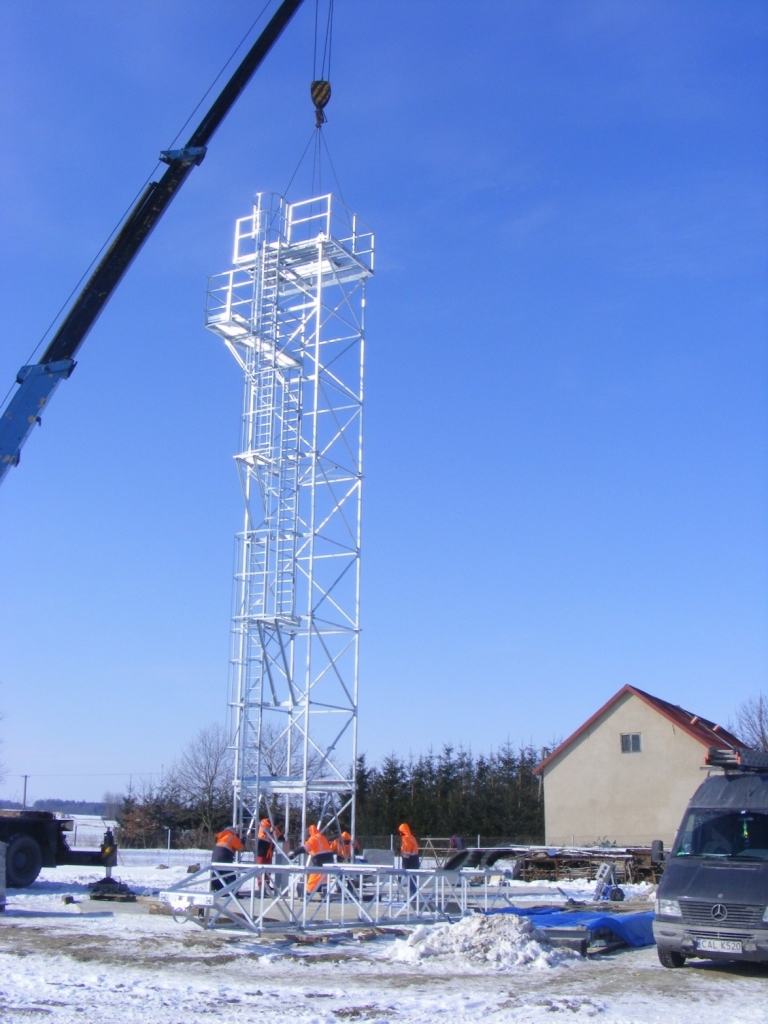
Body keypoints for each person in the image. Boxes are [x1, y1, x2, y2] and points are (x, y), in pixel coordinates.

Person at [292, 824, 333, 894]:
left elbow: (306, 848)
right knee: (324, 877)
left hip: (320, 860)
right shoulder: (321, 837)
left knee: (314, 876)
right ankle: (325, 892)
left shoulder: (313, 838)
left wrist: (294, 853)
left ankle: (308, 893)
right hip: (329, 859)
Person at [211, 826, 244, 891]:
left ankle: (216, 888)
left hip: (215, 855)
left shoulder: (221, 836)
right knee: (230, 874)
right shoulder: (232, 837)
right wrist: (242, 842)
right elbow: (240, 848)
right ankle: (233, 891)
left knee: (217, 873)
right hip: (224, 855)